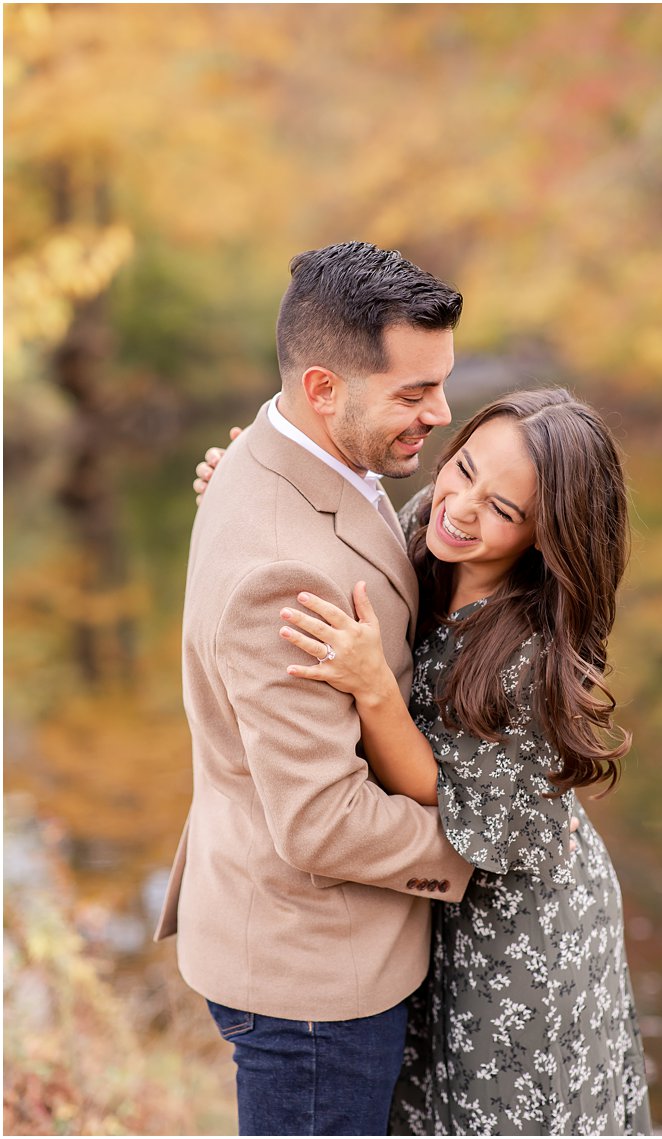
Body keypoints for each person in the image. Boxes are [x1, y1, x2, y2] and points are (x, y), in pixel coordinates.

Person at [156, 240, 476, 1136]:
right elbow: (322, 819)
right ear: (324, 387)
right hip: (312, 987)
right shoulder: (281, 570)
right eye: (414, 394)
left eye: (441, 383)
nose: (441, 414)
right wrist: (481, 847)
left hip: (299, 939)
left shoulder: (282, 454)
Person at [267, 389, 651, 1134]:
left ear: (547, 536)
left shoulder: (531, 651)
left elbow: (448, 795)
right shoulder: (426, 530)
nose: (462, 507)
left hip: (524, 925)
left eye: (503, 510)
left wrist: (375, 684)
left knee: (499, 1112)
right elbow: (330, 517)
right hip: (445, 893)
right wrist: (245, 486)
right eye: (464, 468)